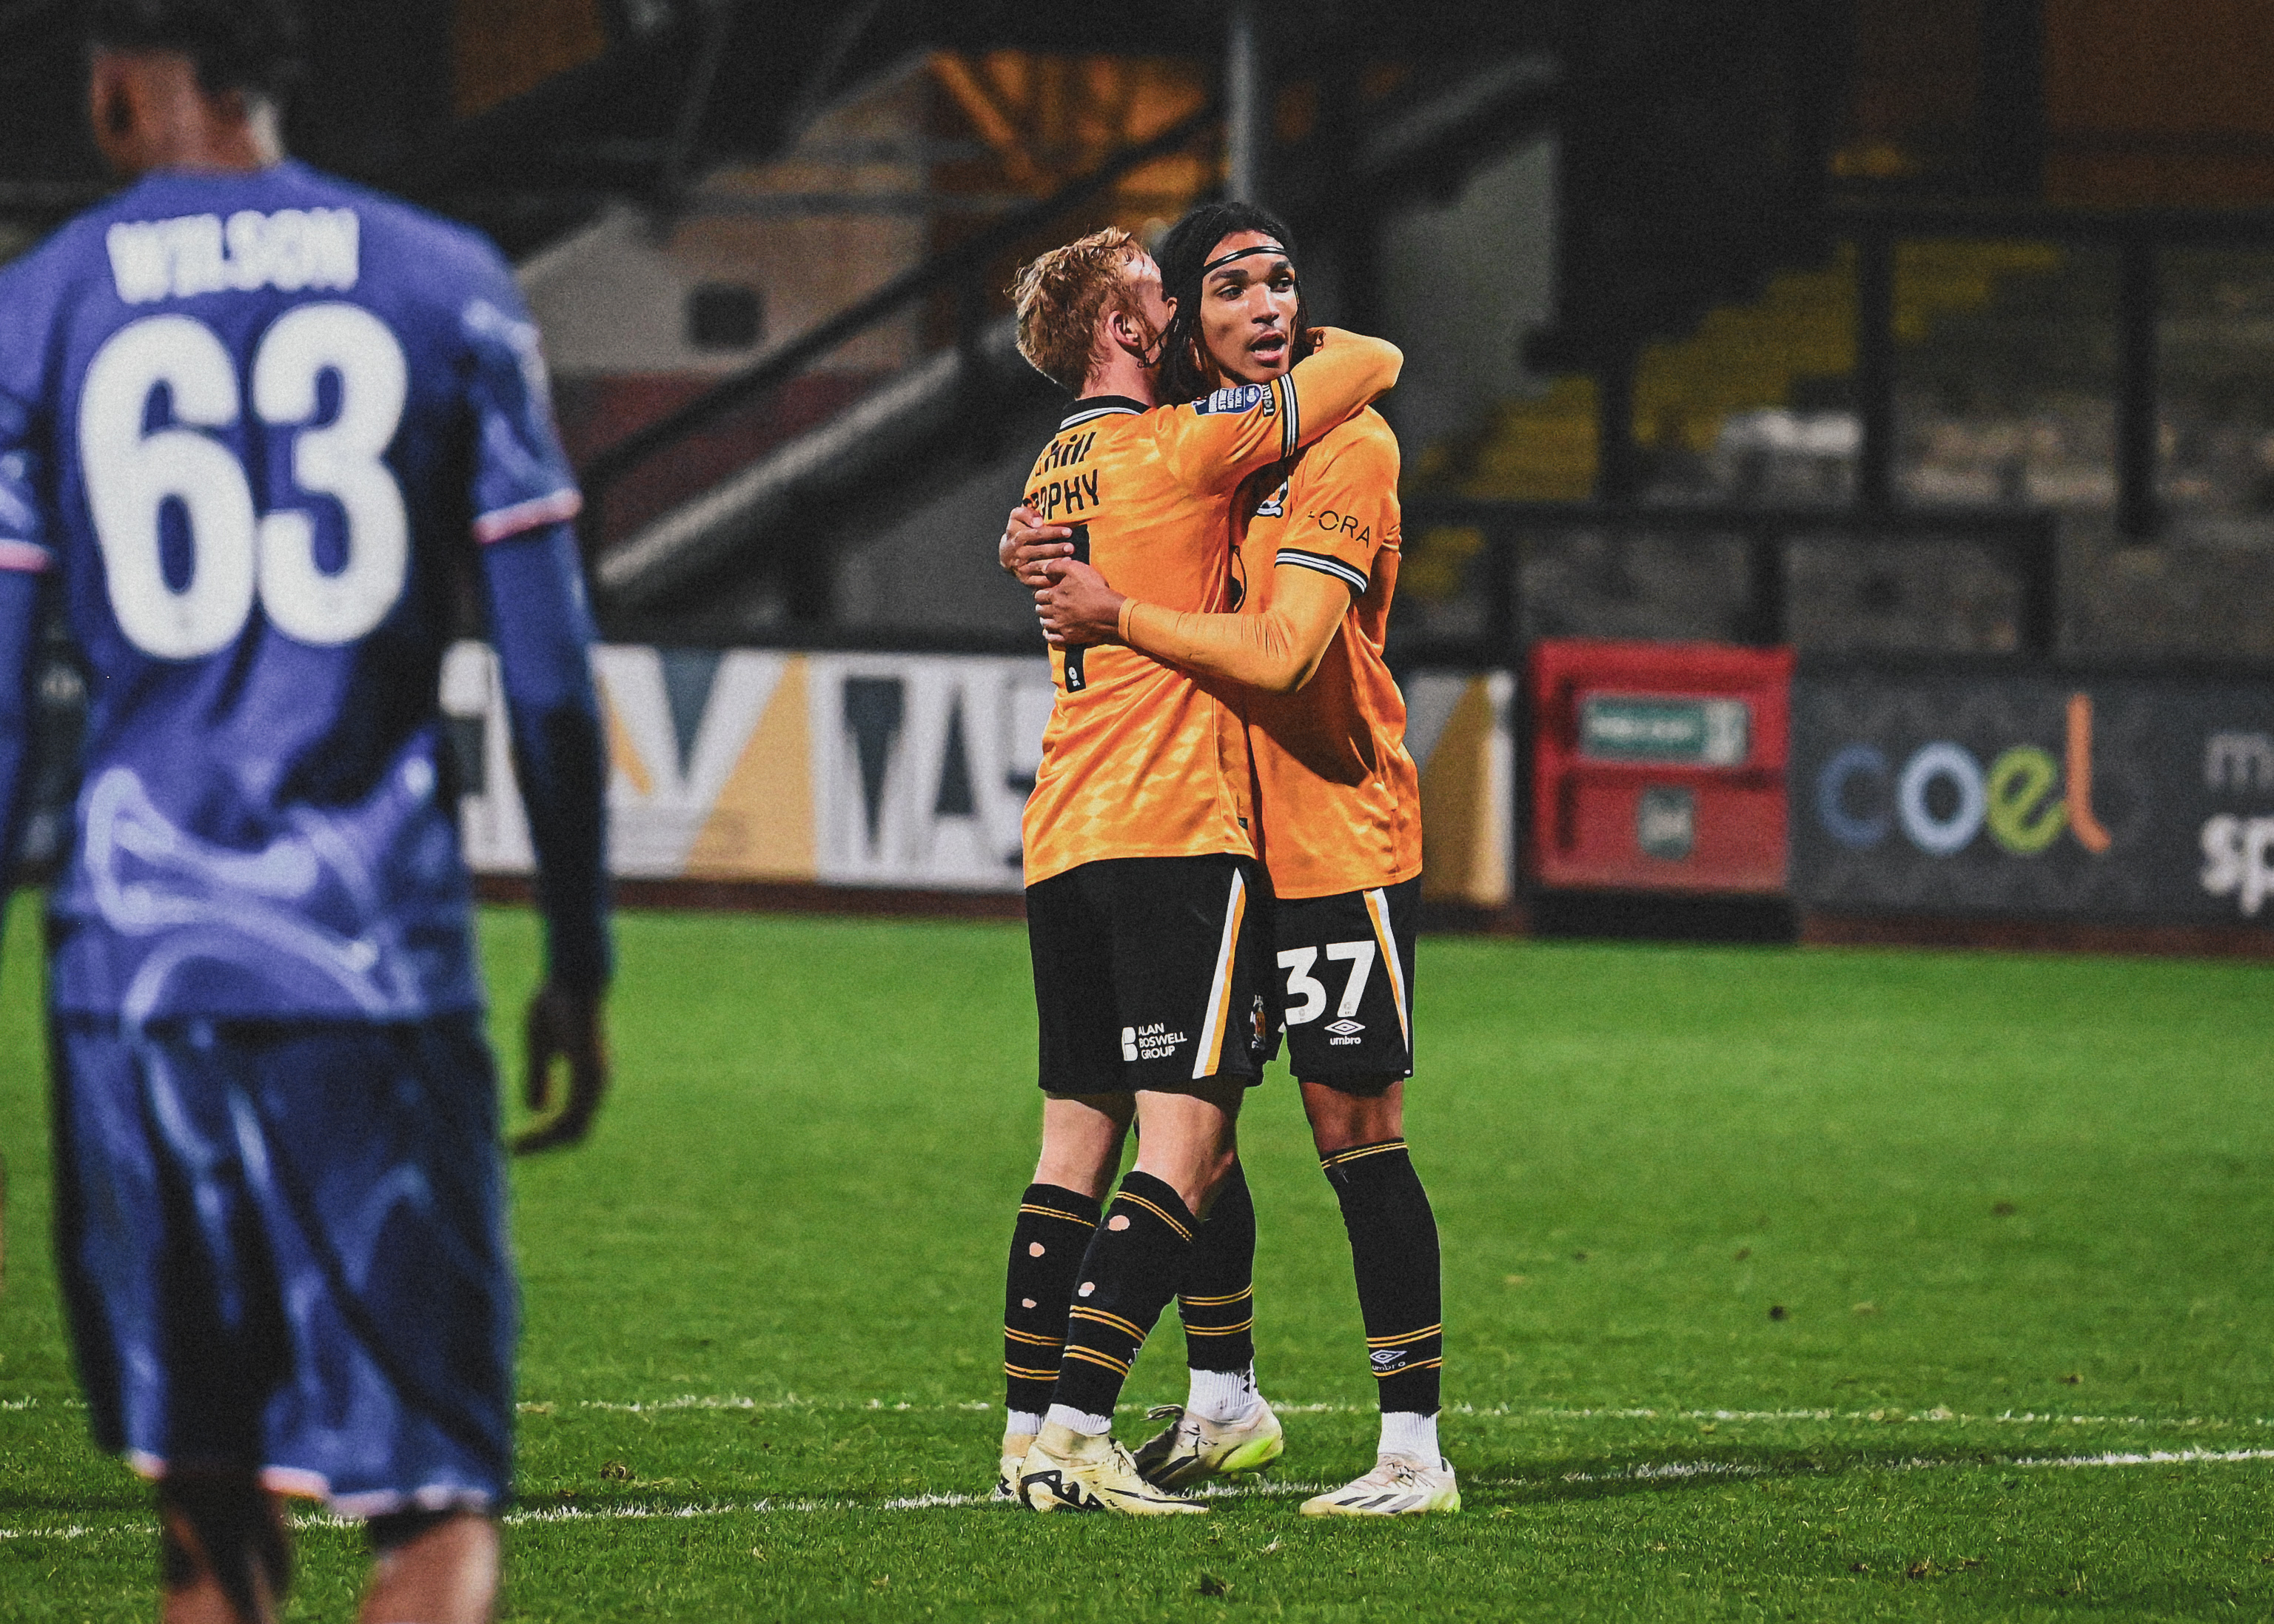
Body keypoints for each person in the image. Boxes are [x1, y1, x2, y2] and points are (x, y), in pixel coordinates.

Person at [0, 4, 611, 1618]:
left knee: (206, 1515)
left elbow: (0, 698)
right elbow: (549, 677)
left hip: (132, 985)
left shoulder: (41, 303)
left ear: (122, 78)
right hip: (374, 975)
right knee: (431, 1500)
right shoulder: (444, 281)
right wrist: (579, 956)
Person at [1015, 201, 1458, 1516]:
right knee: (1193, 1126)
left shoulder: (1348, 447)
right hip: (1224, 837)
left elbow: (1285, 654)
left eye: (1284, 285)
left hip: (1338, 831)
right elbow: (1095, 499)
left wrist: (1114, 608)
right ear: (1185, 328)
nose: (1267, 307)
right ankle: (1222, 1399)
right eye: (1234, 288)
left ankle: (1412, 1447)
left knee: (1353, 1132)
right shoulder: (1198, 451)